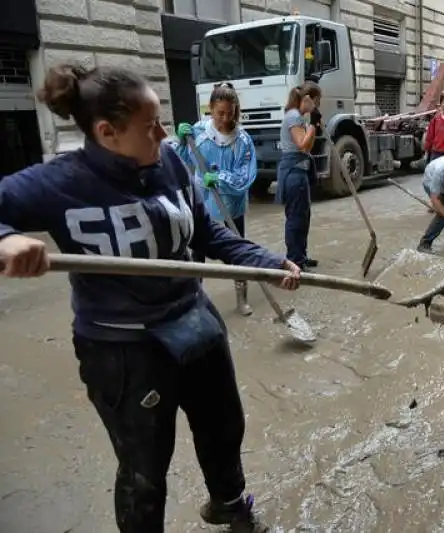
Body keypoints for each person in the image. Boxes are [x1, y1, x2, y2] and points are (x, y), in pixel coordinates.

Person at [0, 64, 302, 532]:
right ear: (107, 132)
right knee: (145, 467)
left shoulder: (169, 161)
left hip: (193, 321)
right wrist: (7, 239)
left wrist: (265, 259)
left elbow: (206, 233)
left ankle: (229, 504)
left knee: (224, 428)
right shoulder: (60, 182)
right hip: (124, 347)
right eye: (150, 126)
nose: (163, 133)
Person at [174, 83, 258, 316]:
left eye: (230, 113)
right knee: (198, 251)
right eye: (220, 113)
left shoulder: (242, 140)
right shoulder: (199, 132)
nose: (225, 118)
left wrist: (220, 178)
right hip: (203, 202)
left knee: (237, 249)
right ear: (210, 108)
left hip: (232, 205)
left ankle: (242, 298)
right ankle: (195, 299)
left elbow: (245, 175)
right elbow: (181, 163)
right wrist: (180, 142)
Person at [275, 82, 322, 272]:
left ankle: (300, 256)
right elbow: (303, 144)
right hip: (293, 173)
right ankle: (294, 260)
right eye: (317, 101)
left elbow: (308, 146)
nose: (318, 106)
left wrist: (314, 124)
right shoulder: (293, 117)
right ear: (308, 99)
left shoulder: (298, 117)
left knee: (303, 217)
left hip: (299, 171)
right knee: (296, 218)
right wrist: (312, 123)